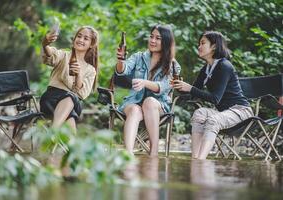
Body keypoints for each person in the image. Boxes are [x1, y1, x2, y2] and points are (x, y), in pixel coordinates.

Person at [173, 31, 253, 160]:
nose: (199, 46)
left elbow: (215, 99)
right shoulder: (205, 69)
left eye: (203, 43)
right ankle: (195, 159)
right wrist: (180, 87)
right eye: (199, 43)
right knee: (199, 113)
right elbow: (193, 94)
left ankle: (201, 160)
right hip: (225, 112)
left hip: (241, 111)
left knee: (213, 120)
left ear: (214, 46)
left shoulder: (224, 66)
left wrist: (190, 88)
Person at [115, 25, 181, 156]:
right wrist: (121, 60)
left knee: (149, 102)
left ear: (166, 42)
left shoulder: (173, 65)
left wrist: (145, 83)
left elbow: (164, 87)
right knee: (134, 110)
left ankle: (154, 152)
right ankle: (128, 155)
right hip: (134, 102)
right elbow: (122, 71)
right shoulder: (138, 57)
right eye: (151, 36)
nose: (152, 40)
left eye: (158, 38)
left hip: (158, 105)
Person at [40, 26, 99, 132]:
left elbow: (82, 94)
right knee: (71, 125)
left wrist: (79, 75)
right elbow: (50, 54)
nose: (81, 40)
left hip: (72, 102)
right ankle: (60, 139)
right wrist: (45, 44)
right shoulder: (64, 55)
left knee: (71, 97)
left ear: (91, 44)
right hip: (51, 99)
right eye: (79, 36)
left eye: (86, 38)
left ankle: (53, 133)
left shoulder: (90, 70)